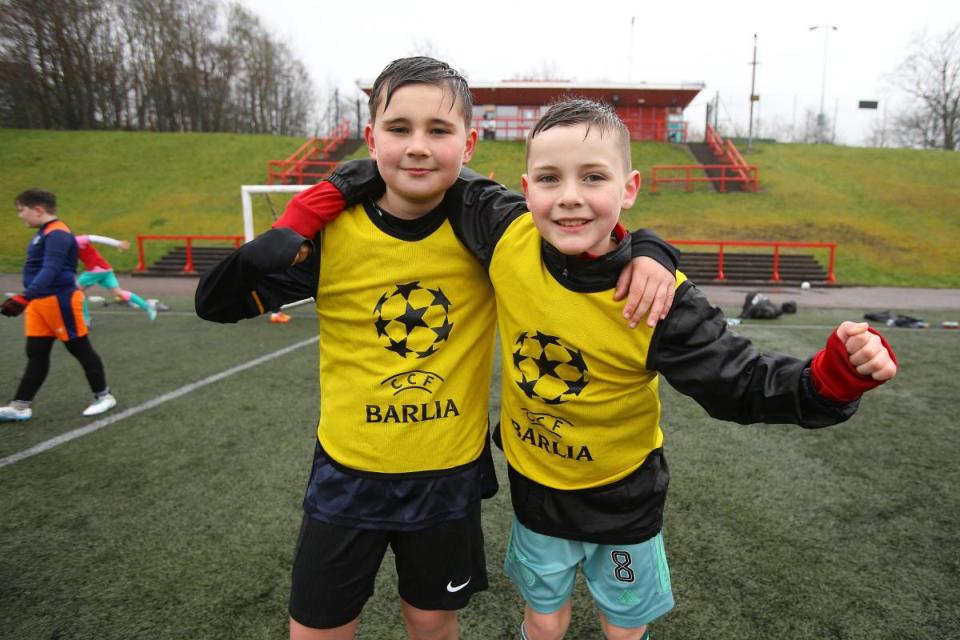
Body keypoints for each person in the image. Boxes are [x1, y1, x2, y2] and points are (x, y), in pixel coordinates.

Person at [325, 98, 899, 640]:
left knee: (623, 628)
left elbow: (742, 385)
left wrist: (833, 377)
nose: (569, 196)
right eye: (550, 178)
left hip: (623, 497)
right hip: (537, 489)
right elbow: (428, 167)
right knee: (545, 624)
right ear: (526, 190)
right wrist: (316, 203)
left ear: (629, 190)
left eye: (593, 177)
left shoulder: (657, 301)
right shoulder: (505, 233)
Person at [195, 57, 678, 640]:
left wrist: (652, 247)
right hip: (347, 475)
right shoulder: (329, 235)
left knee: (431, 622)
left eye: (439, 131)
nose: (418, 147)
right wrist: (276, 238)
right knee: (317, 630)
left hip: (446, 479)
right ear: (372, 138)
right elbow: (214, 303)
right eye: (399, 129)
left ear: (468, 143)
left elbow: (581, 236)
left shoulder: (488, 232)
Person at [1, 189, 118, 423]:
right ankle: (21, 406)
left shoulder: (58, 234)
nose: (20, 216)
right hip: (40, 302)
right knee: (36, 352)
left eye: (21, 210)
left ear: (38, 210)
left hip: (59, 300)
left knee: (79, 348)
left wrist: (25, 296)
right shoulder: (44, 233)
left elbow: (51, 269)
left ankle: (104, 396)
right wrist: (30, 298)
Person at [75, 234, 158, 322]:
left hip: (96, 270)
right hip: (106, 270)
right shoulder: (66, 246)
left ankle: (85, 320)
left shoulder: (77, 240)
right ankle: (147, 306)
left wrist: (118, 243)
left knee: (76, 291)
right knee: (118, 293)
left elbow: (97, 238)